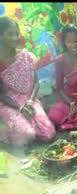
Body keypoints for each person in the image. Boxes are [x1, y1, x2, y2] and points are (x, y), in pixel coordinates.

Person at [0, 16, 55, 145]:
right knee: (27, 135)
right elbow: (1, 94)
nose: (15, 38)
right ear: (1, 36)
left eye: (17, 34)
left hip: (29, 100)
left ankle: (29, 122)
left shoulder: (26, 56)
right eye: (10, 34)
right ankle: (6, 128)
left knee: (49, 133)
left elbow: (36, 81)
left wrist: (30, 100)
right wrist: (20, 108)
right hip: (10, 103)